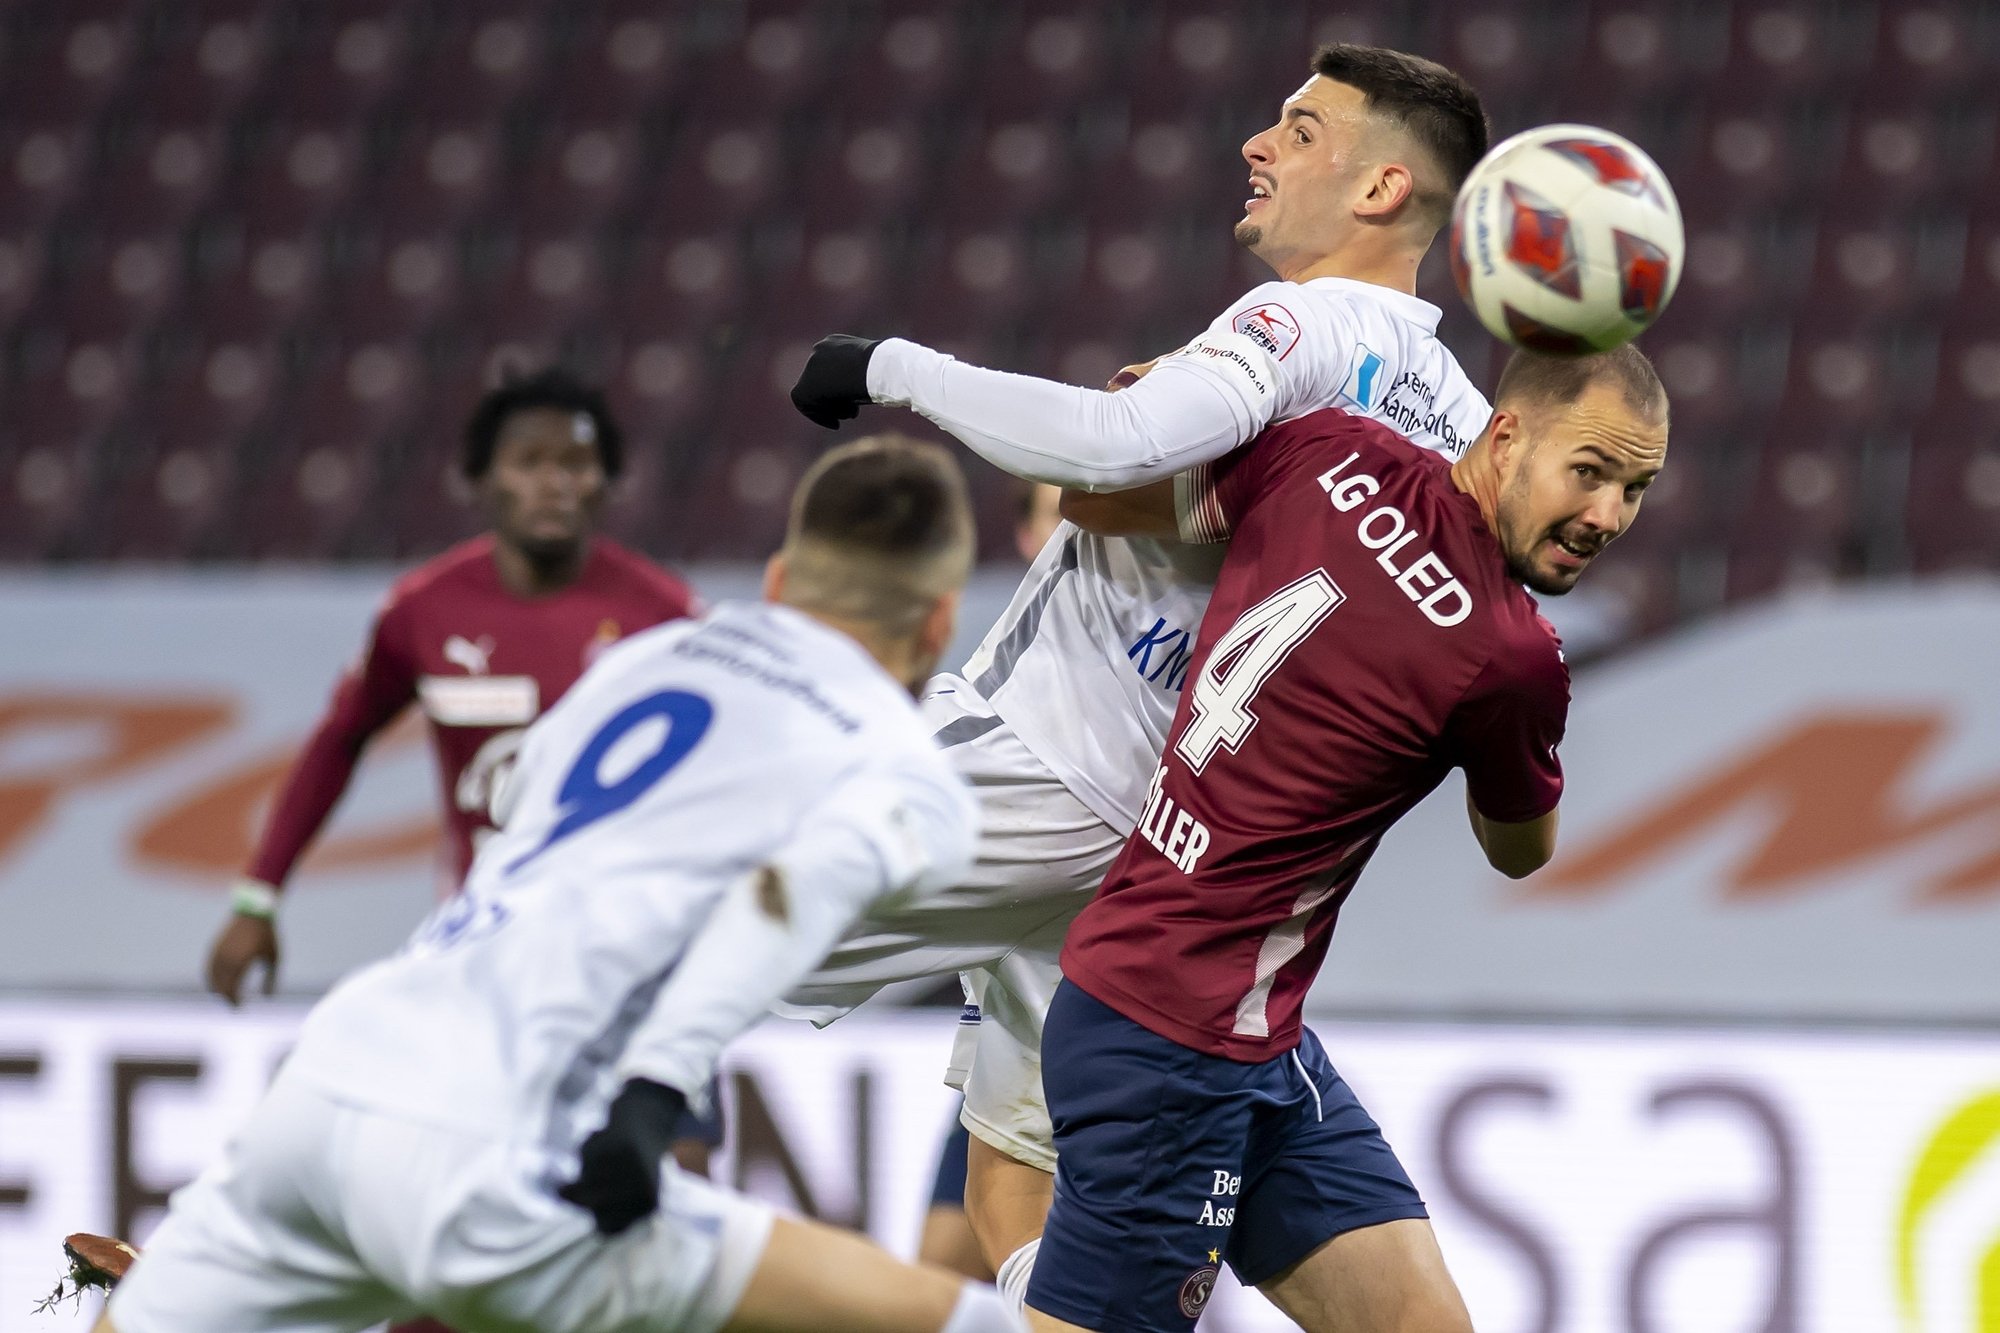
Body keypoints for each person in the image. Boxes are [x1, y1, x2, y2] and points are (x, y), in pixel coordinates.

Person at [785, 42, 1492, 1270]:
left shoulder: (1304, 321)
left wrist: (890, 367)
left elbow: (1110, 449)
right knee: (1024, 1161)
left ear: (1382, 190)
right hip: (1173, 846)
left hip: (1042, 761)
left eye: (1301, 129)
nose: (1257, 146)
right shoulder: (1458, 421)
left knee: (677, 914)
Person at [100, 436, 1028, 1333]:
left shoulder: (644, 658)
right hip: (506, 1146)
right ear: (940, 621)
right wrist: (655, 1088)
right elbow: (778, 899)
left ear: (780, 581)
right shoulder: (905, 768)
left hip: (332, 1079)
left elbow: (518, 799)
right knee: (964, 1319)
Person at [1026, 348, 1671, 1332]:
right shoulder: (1510, 655)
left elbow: (1091, 499)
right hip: (1170, 1040)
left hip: (1234, 1027)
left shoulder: (1329, 450)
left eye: (1635, 489)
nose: (1607, 517)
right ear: (1501, 436)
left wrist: (1173, 413)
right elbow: (1517, 848)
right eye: (1587, 472)